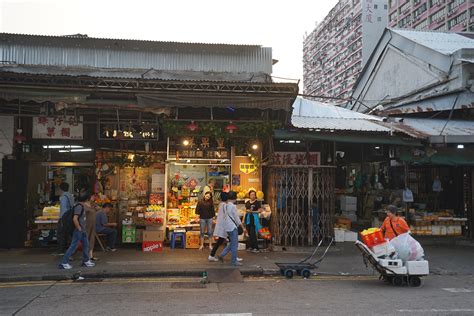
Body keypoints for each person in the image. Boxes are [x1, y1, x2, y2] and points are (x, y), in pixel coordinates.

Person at [59, 190, 95, 269]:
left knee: (86, 245)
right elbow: (75, 219)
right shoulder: (79, 206)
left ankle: (86, 261)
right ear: (87, 199)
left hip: (82, 230)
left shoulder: (83, 205)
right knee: (73, 246)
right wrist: (79, 228)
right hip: (79, 230)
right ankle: (64, 262)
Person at [217, 191, 246, 266]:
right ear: (234, 198)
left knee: (232, 243)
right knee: (234, 245)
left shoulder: (224, 205)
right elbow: (237, 218)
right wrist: (242, 227)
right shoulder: (233, 206)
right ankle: (234, 261)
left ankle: (221, 255)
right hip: (233, 227)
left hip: (227, 227)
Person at [56, 182, 74, 255]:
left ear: (61, 189)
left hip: (64, 217)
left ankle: (61, 250)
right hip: (70, 217)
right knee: (69, 234)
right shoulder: (70, 196)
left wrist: (62, 220)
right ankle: (70, 250)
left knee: (61, 234)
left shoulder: (63, 197)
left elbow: (63, 209)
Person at [85, 194, 98, 261]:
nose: (94, 197)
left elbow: (98, 209)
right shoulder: (83, 205)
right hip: (85, 225)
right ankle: (71, 254)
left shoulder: (93, 205)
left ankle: (90, 255)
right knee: (82, 239)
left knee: (91, 239)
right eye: (93, 196)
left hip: (92, 225)